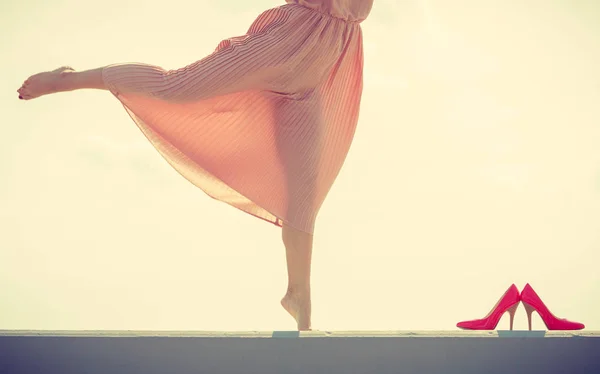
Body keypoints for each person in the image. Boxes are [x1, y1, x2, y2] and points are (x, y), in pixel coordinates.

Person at [16, 0, 374, 331]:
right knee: (177, 87)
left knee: (305, 189)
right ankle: (68, 79)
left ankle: (299, 297)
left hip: (333, 54)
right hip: (289, 38)